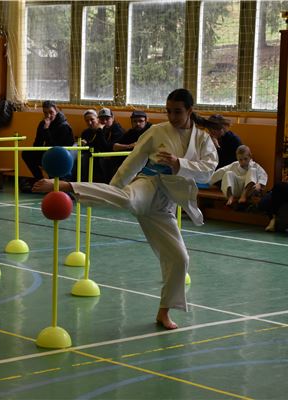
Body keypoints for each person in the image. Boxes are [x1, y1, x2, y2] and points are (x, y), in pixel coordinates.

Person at [33, 88, 219, 330]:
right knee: (127, 199)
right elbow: (133, 161)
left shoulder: (202, 140)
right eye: (169, 111)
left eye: (178, 112)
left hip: (165, 204)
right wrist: (114, 190)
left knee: (180, 258)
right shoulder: (157, 131)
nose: (172, 116)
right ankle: (68, 186)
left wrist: (179, 164)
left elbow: (208, 170)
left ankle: (164, 312)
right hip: (148, 184)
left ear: (190, 111)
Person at [21, 100, 74, 186]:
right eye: (45, 113)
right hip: (48, 151)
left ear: (56, 111)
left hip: (61, 155)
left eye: (51, 112)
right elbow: (37, 143)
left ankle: (53, 182)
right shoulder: (43, 124)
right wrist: (35, 154)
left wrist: (46, 130)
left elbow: (55, 147)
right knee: (27, 154)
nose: (48, 115)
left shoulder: (64, 126)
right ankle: (40, 180)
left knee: (51, 158)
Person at [107, 110, 153, 179]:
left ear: (146, 121)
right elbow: (114, 146)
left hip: (148, 163)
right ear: (131, 122)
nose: (137, 124)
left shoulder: (152, 130)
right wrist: (129, 146)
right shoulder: (131, 132)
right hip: (132, 162)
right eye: (135, 121)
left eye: (141, 121)